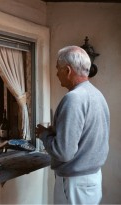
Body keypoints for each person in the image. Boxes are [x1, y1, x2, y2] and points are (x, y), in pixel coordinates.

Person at [36, 46, 110, 204]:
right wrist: (56, 132)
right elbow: (86, 136)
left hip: (74, 183)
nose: (56, 73)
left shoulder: (74, 99)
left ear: (68, 70)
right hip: (91, 179)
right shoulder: (97, 95)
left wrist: (44, 135)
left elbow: (64, 152)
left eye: (58, 69)